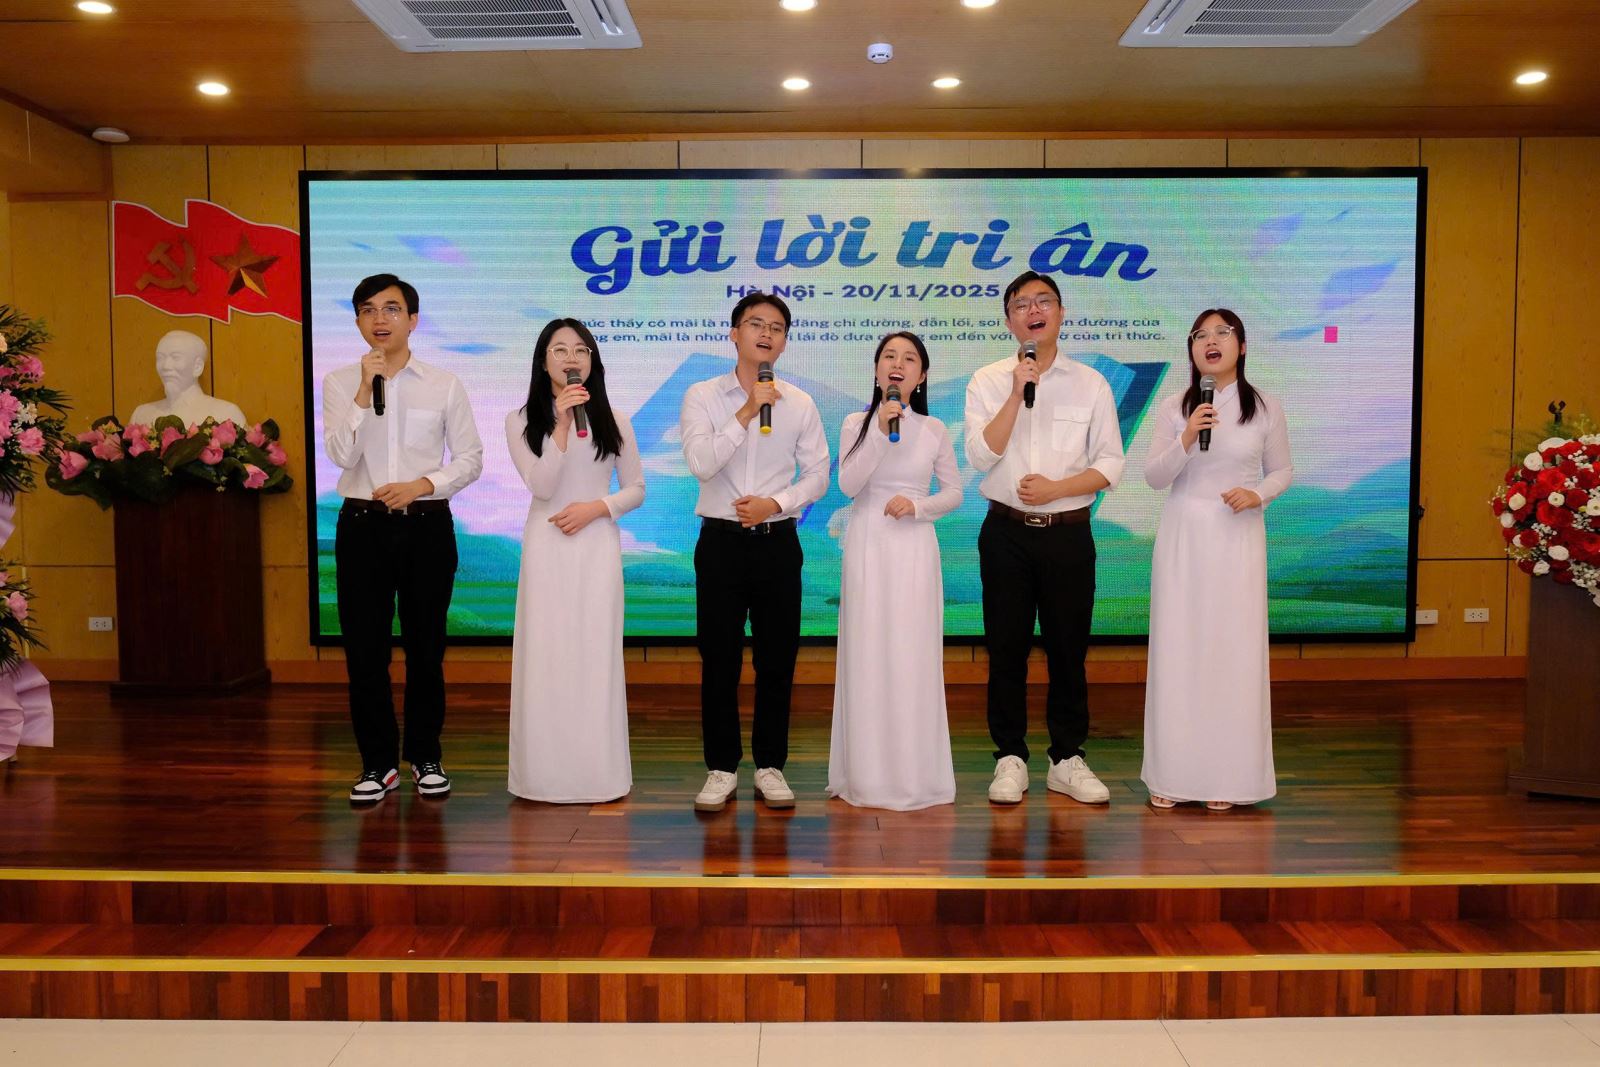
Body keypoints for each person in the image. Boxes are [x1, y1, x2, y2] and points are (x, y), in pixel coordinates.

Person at [963, 270, 1125, 806]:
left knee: (1067, 651)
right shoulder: (988, 380)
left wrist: (1058, 488)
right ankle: (1009, 756)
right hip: (1005, 533)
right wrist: (1016, 393)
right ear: (1009, 321)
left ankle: (1067, 758)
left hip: (1068, 535)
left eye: (1044, 301)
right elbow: (980, 456)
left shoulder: (1091, 383)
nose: (1034, 311)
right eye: (1022, 304)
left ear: (1060, 313)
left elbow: (1110, 463)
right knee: (1005, 649)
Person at [322, 273, 484, 803]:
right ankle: (377, 764)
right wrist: (363, 391)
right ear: (357, 321)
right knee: (364, 652)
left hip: (426, 527)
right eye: (368, 310)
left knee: (425, 649)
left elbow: (470, 459)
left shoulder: (443, 384)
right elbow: (341, 455)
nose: (380, 319)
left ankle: (425, 756)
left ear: (413, 320)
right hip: (362, 528)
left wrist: (422, 485)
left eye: (391, 309)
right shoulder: (341, 382)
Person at [679, 291, 830, 813]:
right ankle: (721, 768)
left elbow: (818, 475)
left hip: (777, 544)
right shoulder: (702, 396)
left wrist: (776, 503)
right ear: (734, 333)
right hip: (720, 544)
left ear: (784, 342)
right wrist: (746, 411)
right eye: (755, 324)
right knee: (719, 659)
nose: (766, 334)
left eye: (776, 328)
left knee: (777, 659)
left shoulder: (800, 403)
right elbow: (701, 463)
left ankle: (770, 765)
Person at [1141, 309, 1292, 811]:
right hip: (1184, 535)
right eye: (1200, 335)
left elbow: (1282, 470)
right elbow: (1155, 477)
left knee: (1232, 650)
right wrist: (1187, 436)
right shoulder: (1176, 406)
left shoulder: (1264, 406)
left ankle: (1226, 777)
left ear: (1241, 346)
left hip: (1237, 535)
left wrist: (1258, 494)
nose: (1211, 341)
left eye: (1222, 333)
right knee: (1179, 647)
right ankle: (1173, 773)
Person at [505, 318, 644, 803]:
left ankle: (597, 774)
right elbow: (542, 486)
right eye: (560, 350)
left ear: (592, 361)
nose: (571, 359)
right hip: (546, 546)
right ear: (543, 360)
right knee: (546, 654)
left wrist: (597, 508)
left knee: (594, 653)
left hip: (596, 545)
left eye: (581, 350)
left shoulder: (614, 419)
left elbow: (636, 489)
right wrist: (561, 427)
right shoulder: (521, 420)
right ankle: (542, 776)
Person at [828, 331, 962, 811]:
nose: (897, 364)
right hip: (868, 544)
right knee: (869, 651)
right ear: (876, 370)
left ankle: (915, 773)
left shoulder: (934, 429)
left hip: (914, 547)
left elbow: (954, 492)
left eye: (909, 359)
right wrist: (880, 434)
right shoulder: (856, 423)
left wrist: (919, 506)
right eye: (889, 356)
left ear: (921, 376)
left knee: (911, 651)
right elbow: (848, 485)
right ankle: (867, 774)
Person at [129, 329, 248, 428]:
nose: (165, 366)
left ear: (197, 367)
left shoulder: (225, 414)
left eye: (175, 357)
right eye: (160, 358)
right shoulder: (141, 415)